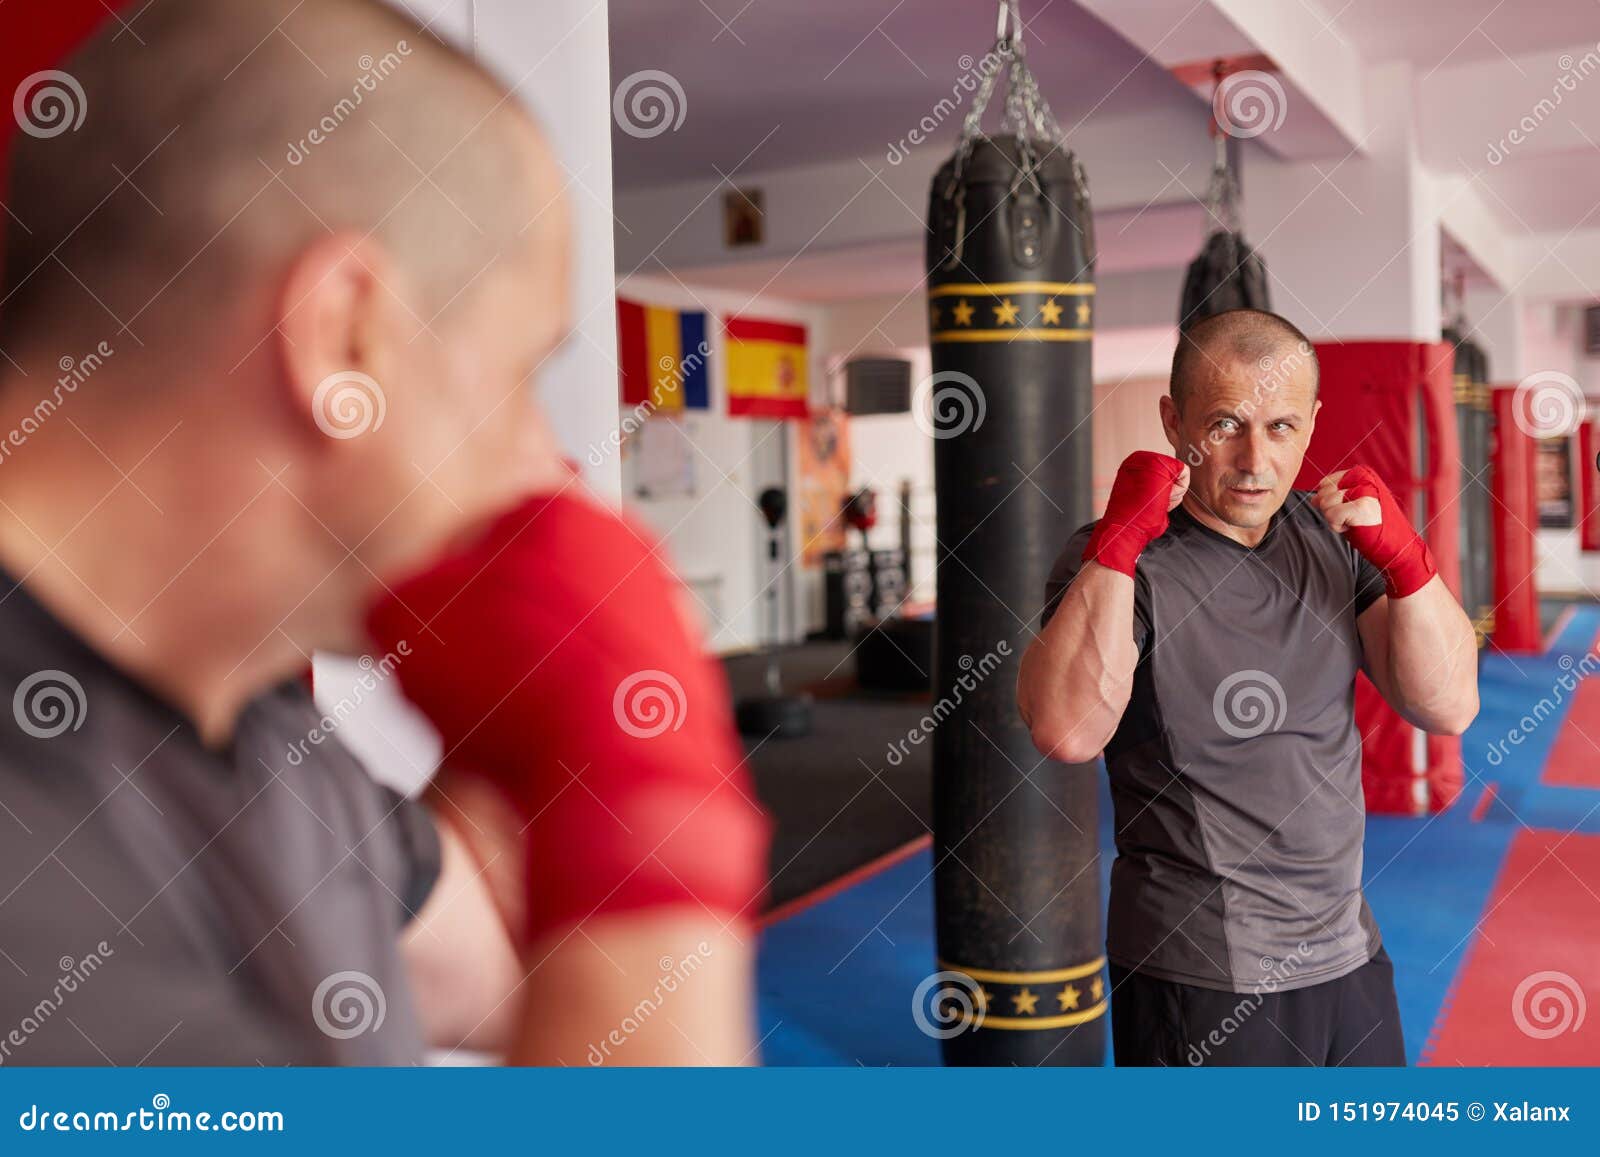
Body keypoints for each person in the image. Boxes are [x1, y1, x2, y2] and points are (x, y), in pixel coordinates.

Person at [0, 0, 765, 1065]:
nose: (541, 462)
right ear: (345, 336)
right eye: (518, 375)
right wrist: (650, 811)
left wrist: (551, 753)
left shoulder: (257, 728)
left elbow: (523, 992)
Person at [1016, 308, 1479, 1066]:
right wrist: (1114, 551)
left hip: (1347, 951)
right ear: (1175, 420)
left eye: (1282, 426)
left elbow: (1449, 703)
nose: (1254, 459)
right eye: (1225, 424)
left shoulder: (1333, 539)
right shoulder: (1122, 562)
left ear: (1313, 423)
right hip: (1201, 970)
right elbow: (1064, 730)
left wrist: (1409, 563)